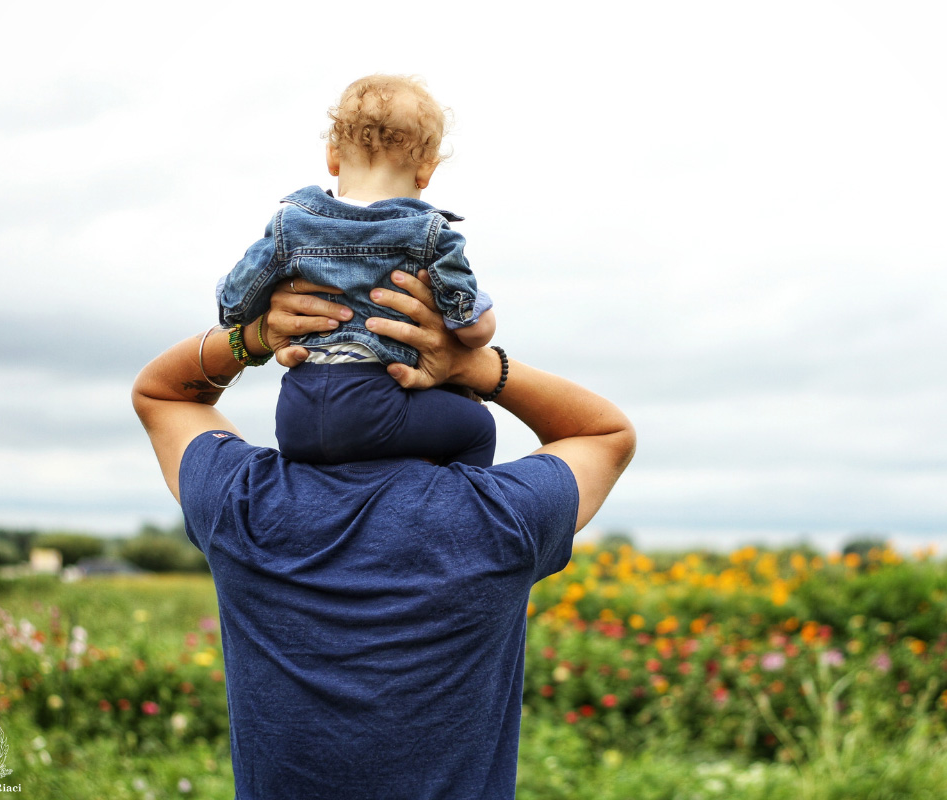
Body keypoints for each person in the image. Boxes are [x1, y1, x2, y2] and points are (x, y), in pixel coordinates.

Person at [132, 271, 635, 799]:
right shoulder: (500, 517)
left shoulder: (245, 503)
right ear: (455, 405)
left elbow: (163, 395)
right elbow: (603, 433)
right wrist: (477, 364)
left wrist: (255, 337)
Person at [217, 74, 498, 467]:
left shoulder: (290, 224)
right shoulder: (429, 233)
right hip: (378, 405)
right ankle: (457, 512)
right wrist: (481, 318)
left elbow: (234, 306)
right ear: (426, 171)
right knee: (477, 426)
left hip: (297, 412)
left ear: (332, 156)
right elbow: (469, 328)